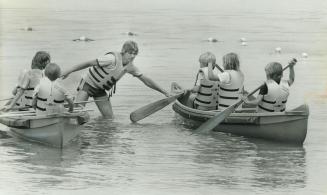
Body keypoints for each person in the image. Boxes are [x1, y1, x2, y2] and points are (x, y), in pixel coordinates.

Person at [61, 40, 170, 118]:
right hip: (88, 85)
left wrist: (164, 92)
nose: (132, 56)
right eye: (130, 53)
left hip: (100, 90)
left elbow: (147, 80)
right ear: (123, 51)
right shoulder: (111, 59)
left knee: (109, 119)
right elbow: (88, 63)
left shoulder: (130, 67)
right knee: (76, 113)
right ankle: (65, 112)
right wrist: (69, 71)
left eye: (135, 54)